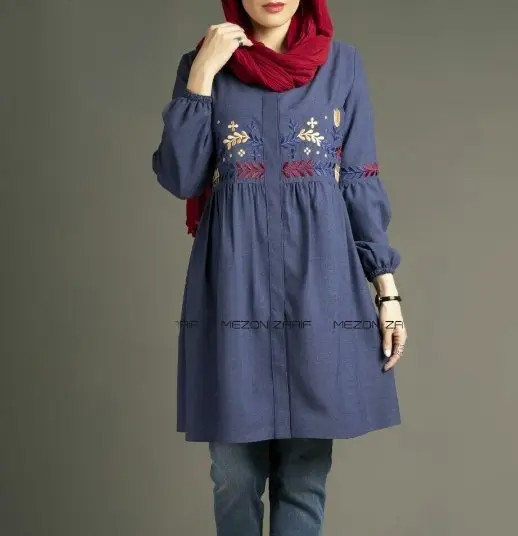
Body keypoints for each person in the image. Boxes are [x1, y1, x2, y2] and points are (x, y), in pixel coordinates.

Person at [151, 1, 408, 534]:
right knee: (233, 475)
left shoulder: (341, 65)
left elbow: (359, 181)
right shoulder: (203, 63)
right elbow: (181, 176)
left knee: (304, 477)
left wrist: (387, 292)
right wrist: (202, 76)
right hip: (232, 286)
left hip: (320, 286)